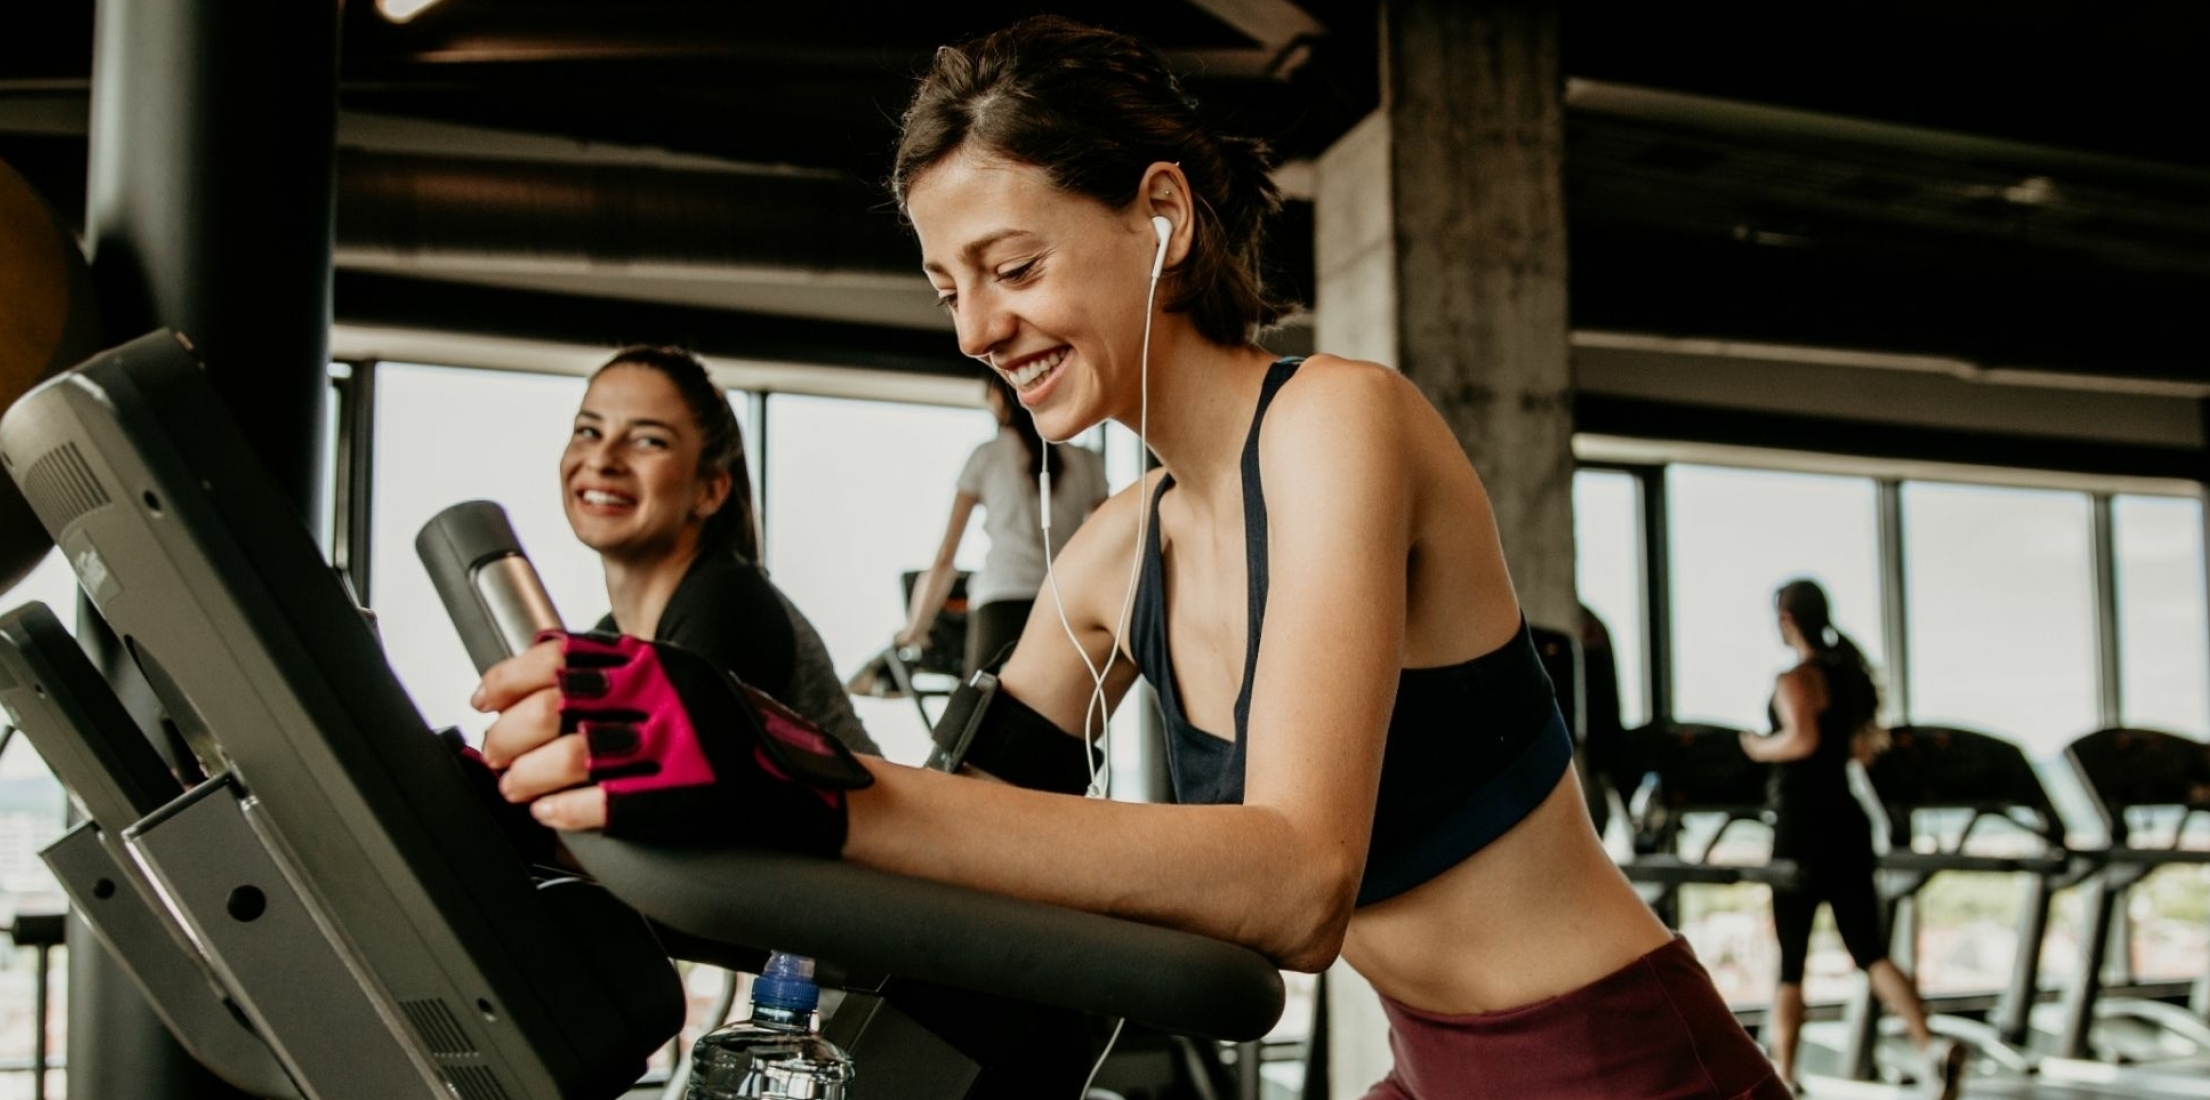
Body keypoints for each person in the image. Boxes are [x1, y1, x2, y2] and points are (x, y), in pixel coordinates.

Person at [480, 17, 1787, 1099]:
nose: (979, 329)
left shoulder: (1337, 420)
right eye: (948, 290)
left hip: (1616, 1058)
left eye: (1012, 265)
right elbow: (954, 823)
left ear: (1159, 214)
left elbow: (1294, 883)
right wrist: (559, 800)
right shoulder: (1114, 553)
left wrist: (796, 770)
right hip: (1426, 1071)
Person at [558, 345, 877, 757]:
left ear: (709, 490)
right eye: (588, 432)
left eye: (647, 441)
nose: (602, 459)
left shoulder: (727, 604)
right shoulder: (612, 635)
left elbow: (671, 798)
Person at [1739, 579, 1962, 1098]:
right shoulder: (1850, 677)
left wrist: (1756, 747)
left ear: (1787, 619)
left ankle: (1785, 1078)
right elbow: (1860, 750)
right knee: (1870, 950)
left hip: (1802, 825)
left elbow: (1802, 739)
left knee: (1791, 960)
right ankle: (1930, 1048)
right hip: (1847, 820)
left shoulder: (1796, 678)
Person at [895, 372, 1108, 677]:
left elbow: (946, 555)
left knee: (983, 714)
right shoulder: (1086, 461)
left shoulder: (987, 456)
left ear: (997, 400)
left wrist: (914, 629)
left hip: (1002, 598)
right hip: (1062, 601)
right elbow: (1106, 544)